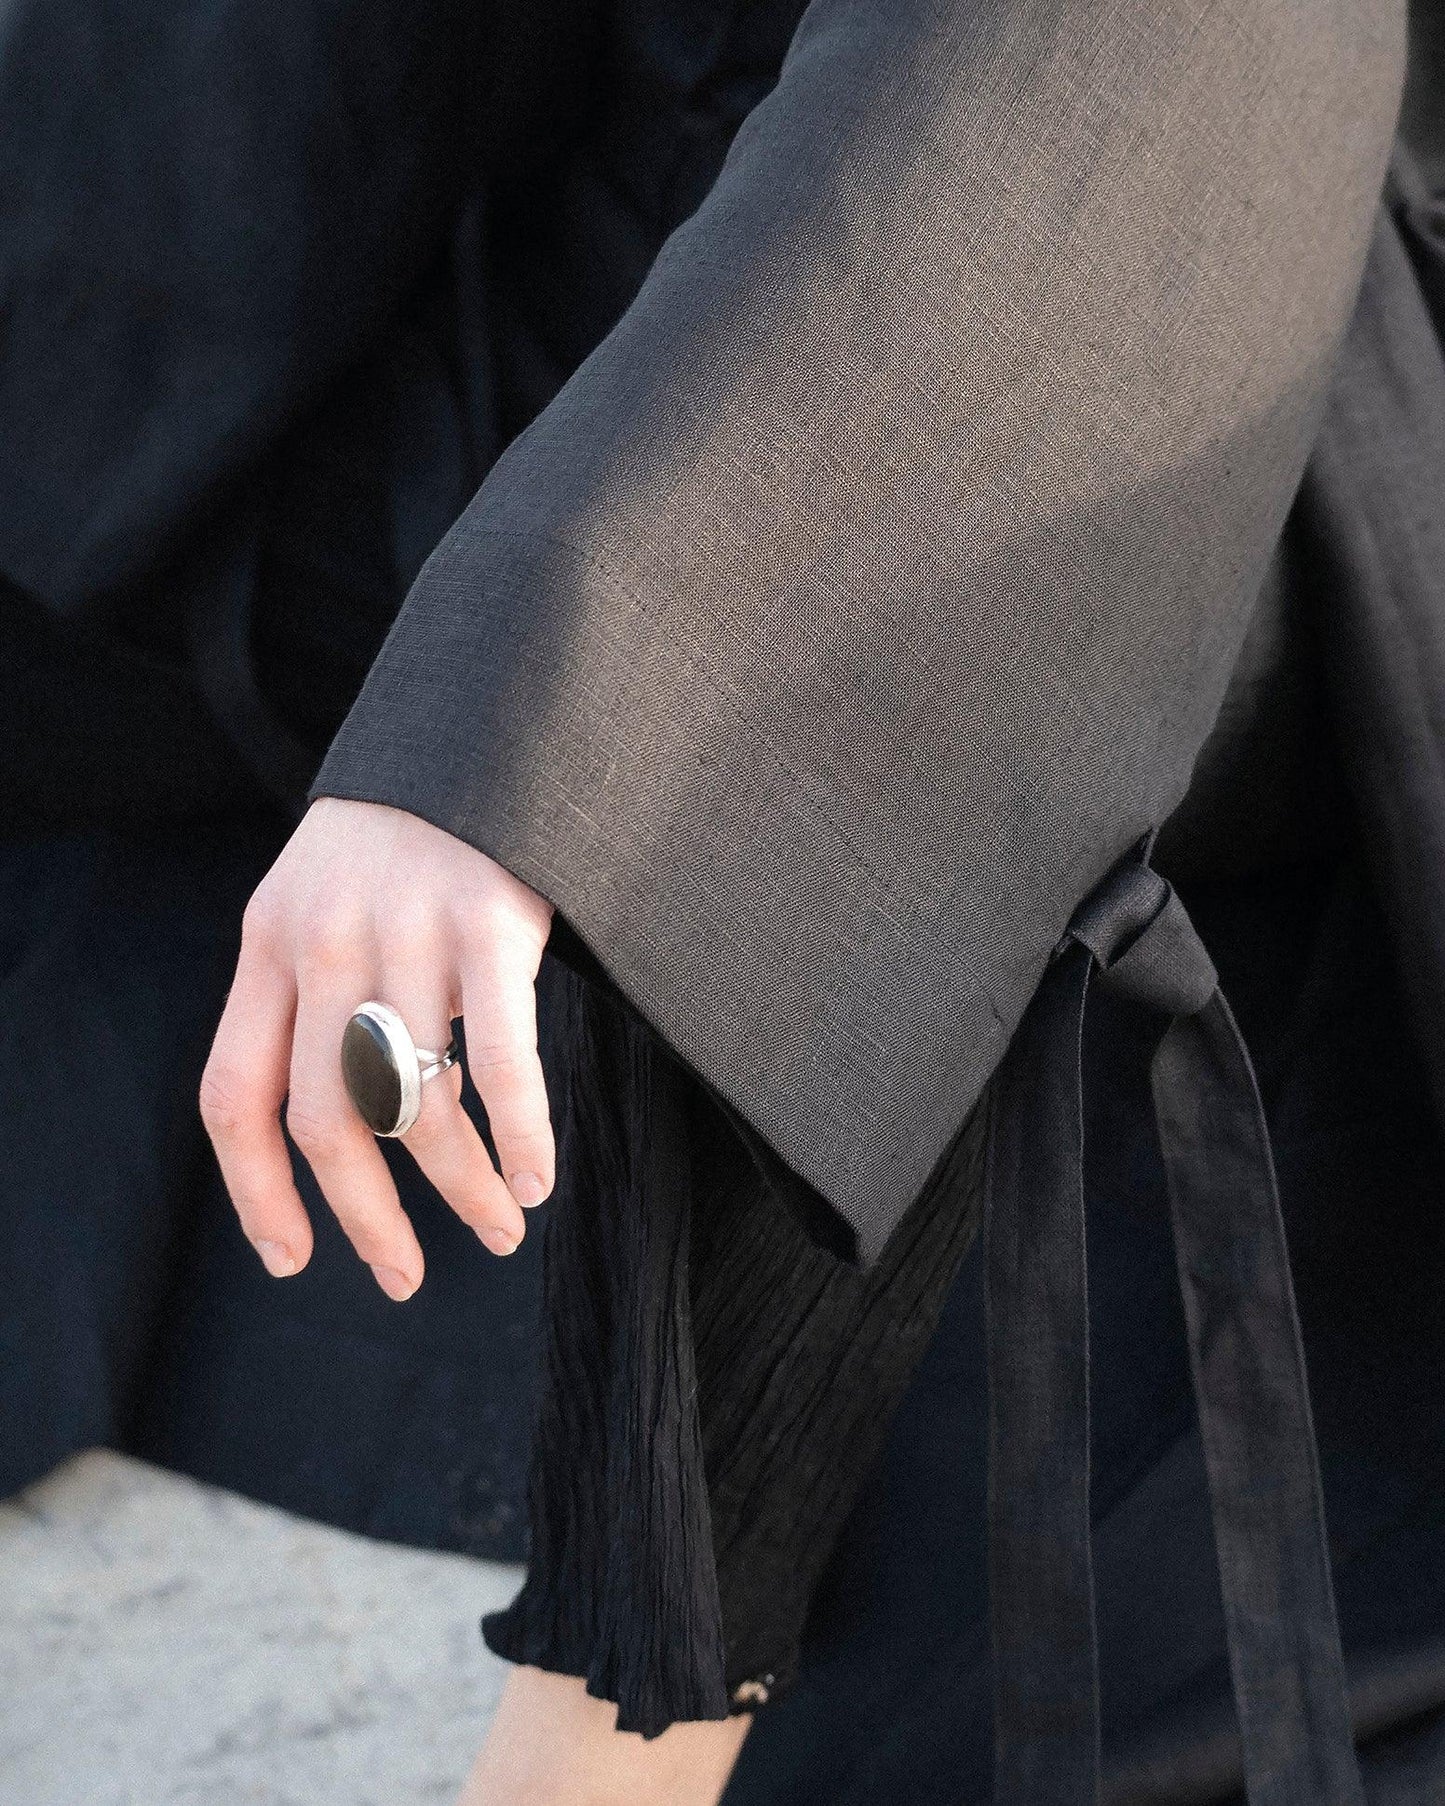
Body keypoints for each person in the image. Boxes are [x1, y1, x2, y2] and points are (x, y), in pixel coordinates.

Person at [7, 2, 1445, 1804]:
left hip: (1099, 290)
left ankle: (603, 1755)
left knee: (784, 711)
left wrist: (556, 707)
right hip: (568, 208)